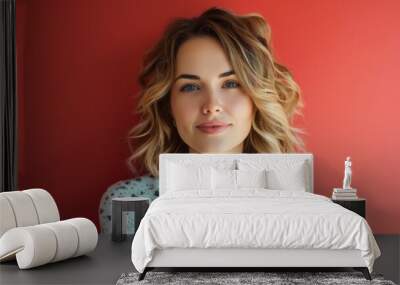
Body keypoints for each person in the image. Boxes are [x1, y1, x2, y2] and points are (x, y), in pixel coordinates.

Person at [127, 7, 305, 177]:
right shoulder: (129, 203)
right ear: (169, 106)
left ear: (256, 100)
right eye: (191, 87)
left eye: (231, 84)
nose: (211, 106)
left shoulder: (298, 199)